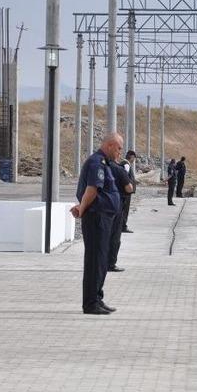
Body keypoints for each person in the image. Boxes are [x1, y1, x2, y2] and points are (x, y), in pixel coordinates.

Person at [71, 133, 123, 315]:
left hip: (104, 218)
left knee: (101, 260)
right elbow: (92, 189)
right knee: (95, 260)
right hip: (96, 218)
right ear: (109, 145)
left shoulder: (104, 163)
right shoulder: (96, 163)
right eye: (118, 148)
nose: (120, 152)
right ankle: (90, 303)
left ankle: (97, 298)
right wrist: (82, 208)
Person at [108, 155, 134, 273]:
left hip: (102, 207)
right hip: (117, 204)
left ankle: (101, 262)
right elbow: (129, 188)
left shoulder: (100, 166)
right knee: (115, 237)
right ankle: (111, 263)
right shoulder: (119, 169)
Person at [121, 150, 137, 233]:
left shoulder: (124, 163)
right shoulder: (126, 164)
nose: (134, 160)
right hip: (126, 192)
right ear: (131, 157)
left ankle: (121, 226)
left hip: (125, 191)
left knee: (123, 209)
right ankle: (123, 226)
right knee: (125, 209)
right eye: (134, 158)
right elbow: (125, 177)